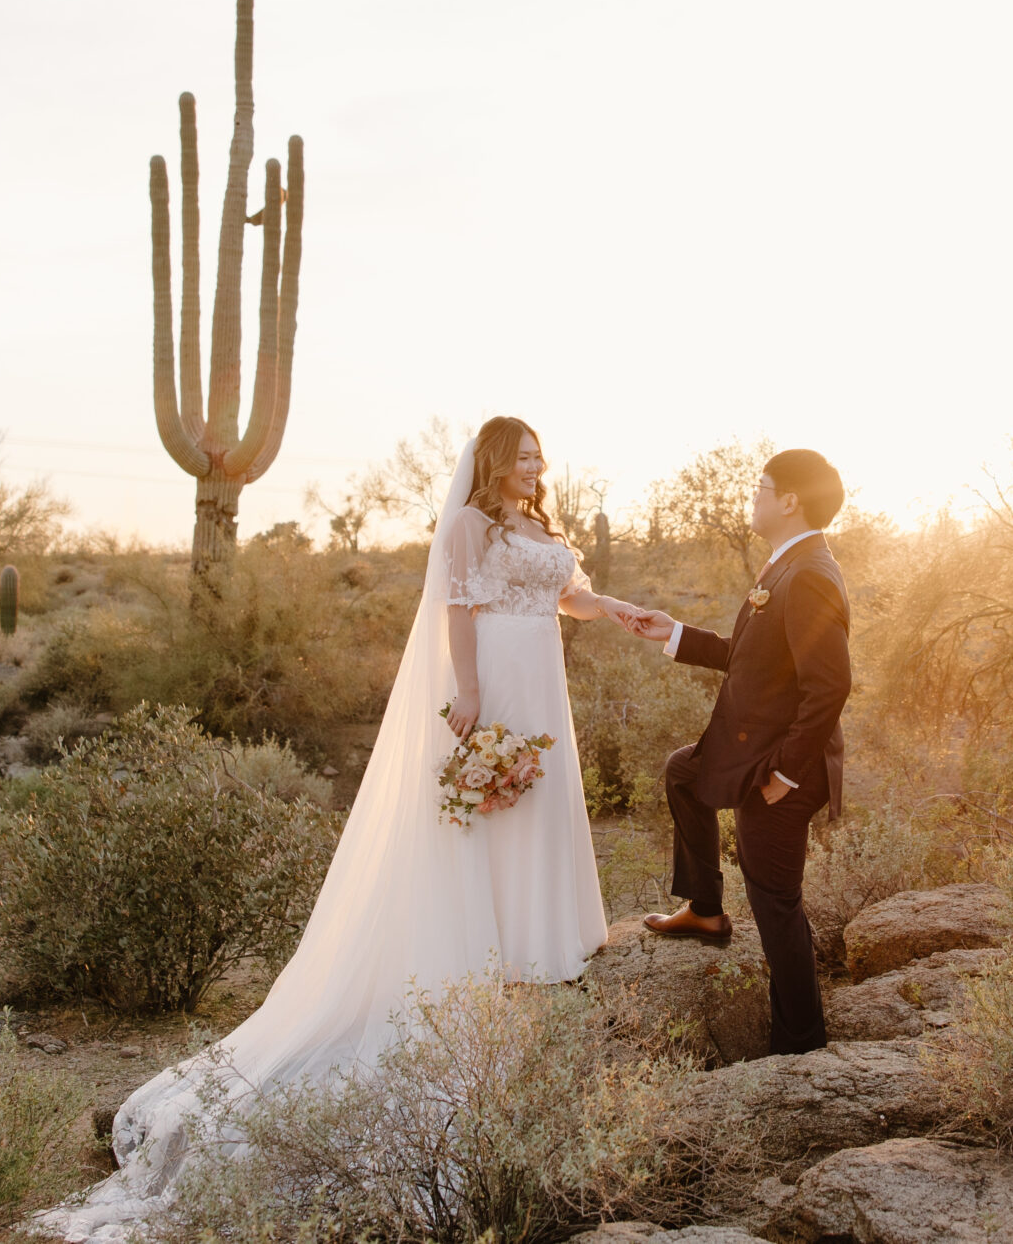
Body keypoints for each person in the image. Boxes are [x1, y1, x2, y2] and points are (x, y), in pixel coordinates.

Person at [35, 418, 629, 1238]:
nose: (536, 466)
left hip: (544, 672)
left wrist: (626, 610)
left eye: (540, 456)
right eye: (523, 456)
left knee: (539, 799)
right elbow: (457, 608)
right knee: (492, 807)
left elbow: (571, 597)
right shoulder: (467, 525)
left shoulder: (539, 527)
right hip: (497, 673)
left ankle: (543, 937)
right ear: (494, 461)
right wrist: (468, 692)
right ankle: (493, 946)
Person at [610, 449, 850, 1056]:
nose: (753, 497)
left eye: (760, 488)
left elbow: (831, 687)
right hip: (759, 752)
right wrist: (674, 634)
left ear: (789, 500)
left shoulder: (811, 573)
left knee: (775, 904)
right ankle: (707, 910)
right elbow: (751, 659)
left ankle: (800, 1045)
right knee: (682, 772)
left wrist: (788, 779)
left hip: (782, 766)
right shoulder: (785, 567)